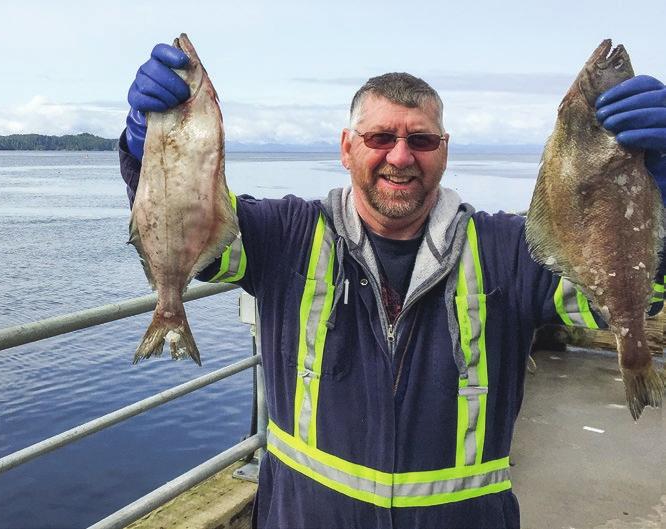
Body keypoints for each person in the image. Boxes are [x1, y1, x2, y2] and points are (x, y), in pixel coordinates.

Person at [119, 43, 666, 529]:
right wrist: (151, 153)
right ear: (347, 147)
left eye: (421, 140)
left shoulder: (509, 250)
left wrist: (658, 201)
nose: (400, 157)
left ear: (445, 151)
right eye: (380, 137)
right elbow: (189, 224)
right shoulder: (283, 236)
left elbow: (617, 300)